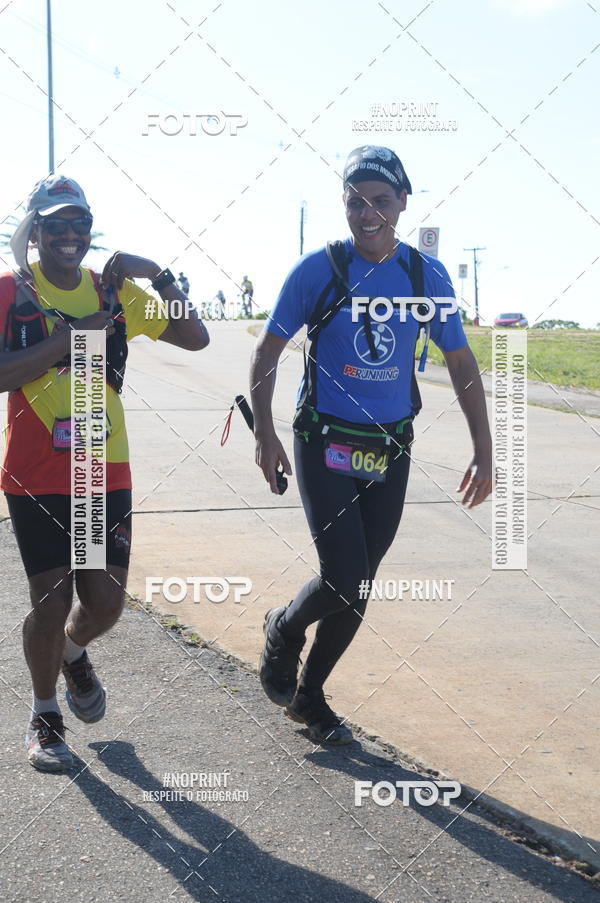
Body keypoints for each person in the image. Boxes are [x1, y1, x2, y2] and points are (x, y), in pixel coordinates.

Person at [250, 146, 492, 745]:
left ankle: (310, 697)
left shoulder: (423, 276)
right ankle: (282, 629)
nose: (368, 213)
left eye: (381, 201)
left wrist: (485, 449)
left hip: (390, 447)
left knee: (360, 583)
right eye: (356, 201)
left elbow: (459, 361)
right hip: (324, 440)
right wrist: (265, 432)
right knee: (344, 574)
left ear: (403, 202)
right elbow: (266, 352)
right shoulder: (318, 269)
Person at [0, 174, 209, 772]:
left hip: (102, 468)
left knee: (106, 603)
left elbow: (195, 335)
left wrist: (158, 274)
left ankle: (71, 653)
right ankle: (44, 718)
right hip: (37, 471)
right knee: (51, 594)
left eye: (79, 224)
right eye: (56, 224)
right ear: (35, 232)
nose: (70, 235)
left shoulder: (111, 291)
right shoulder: (11, 291)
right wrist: (65, 342)